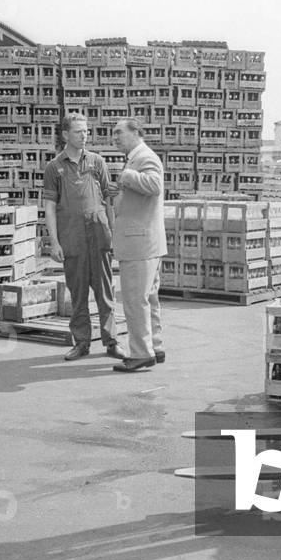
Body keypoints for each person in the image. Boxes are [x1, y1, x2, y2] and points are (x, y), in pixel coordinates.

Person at [43, 113, 126, 361]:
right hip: (72, 237)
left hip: (98, 233)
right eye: (78, 131)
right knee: (78, 294)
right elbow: (49, 207)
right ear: (65, 135)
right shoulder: (54, 167)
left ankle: (112, 342)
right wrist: (54, 242)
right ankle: (81, 343)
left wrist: (113, 234)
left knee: (105, 291)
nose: (84, 135)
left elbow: (108, 199)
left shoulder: (97, 162)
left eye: (86, 131)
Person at [109, 119, 167, 372]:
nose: (115, 138)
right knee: (148, 299)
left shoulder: (144, 157)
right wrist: (120, 191)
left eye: (119, 133)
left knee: (134, 300)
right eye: (113, 134)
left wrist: (126, 177)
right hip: (146, 243)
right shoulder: (136, 158)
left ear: (136, 132)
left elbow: (154, 185)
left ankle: (141, 353)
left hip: (139, 243)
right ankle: (155, 346)